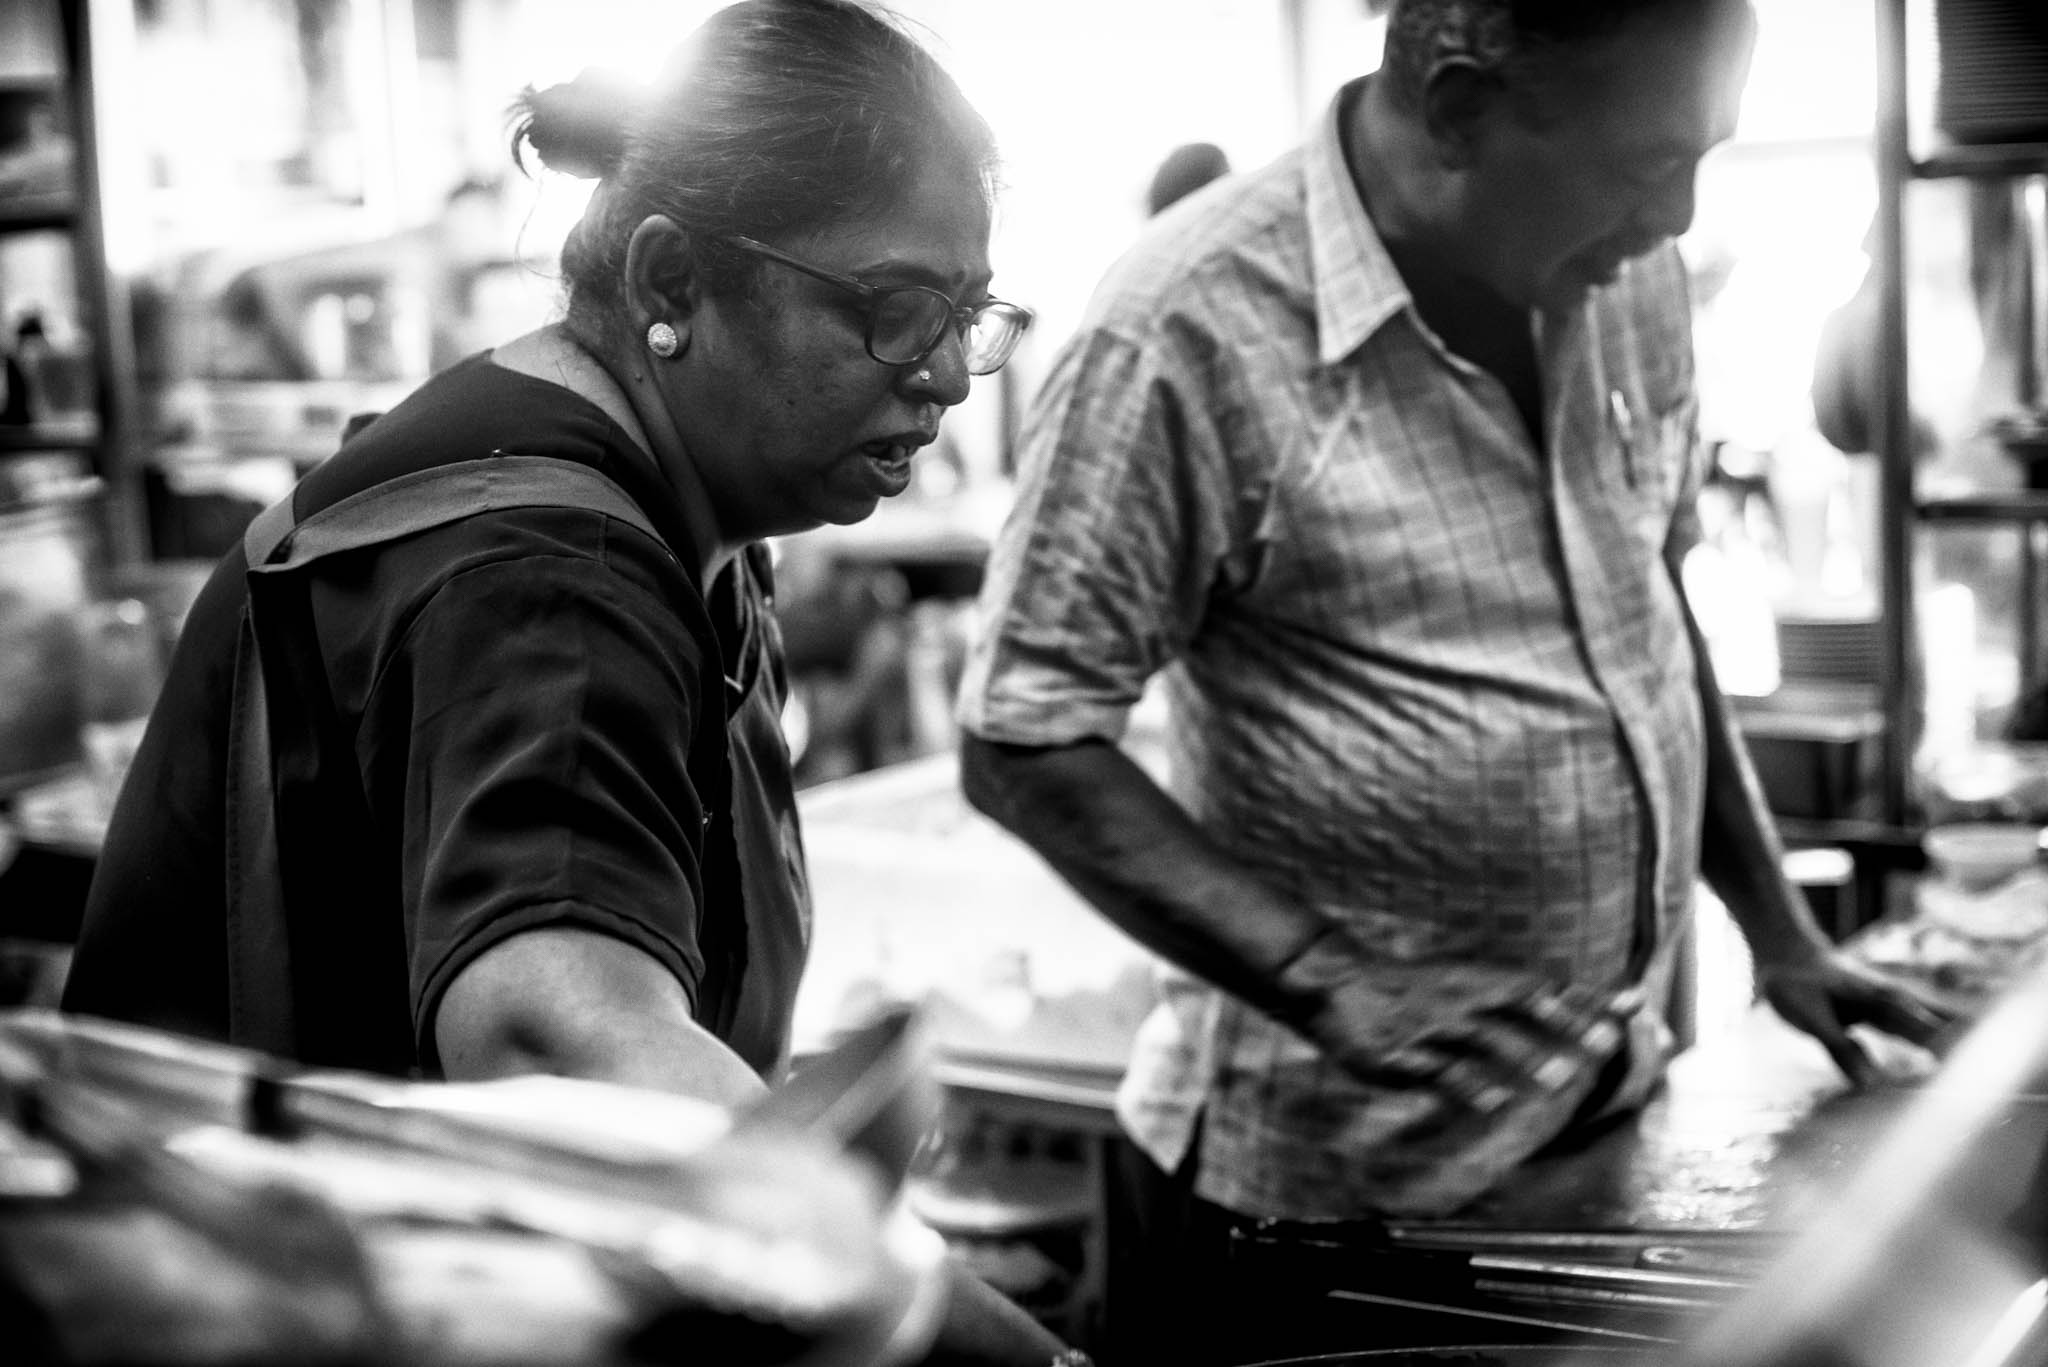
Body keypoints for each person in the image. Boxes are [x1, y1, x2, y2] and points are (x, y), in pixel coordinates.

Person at [63, 3, 1072, 1363]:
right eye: (894, 311)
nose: (948, 376)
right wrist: (980, 1342)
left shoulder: (669, 504)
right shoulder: (549, 567)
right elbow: (557, 1037)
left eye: (965, 315)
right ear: (671, 282)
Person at [956, 0, 1955, 1359]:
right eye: (1645, 165)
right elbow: (1022, 735)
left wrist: (1780, 933)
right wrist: (1324, 976)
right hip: (1306, 1219)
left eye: (1703, 156)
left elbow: (1646, 615)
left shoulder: (1628, 274)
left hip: (1594, 1131)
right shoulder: (1182, 327)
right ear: (1460, 107)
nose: (1677, 216)